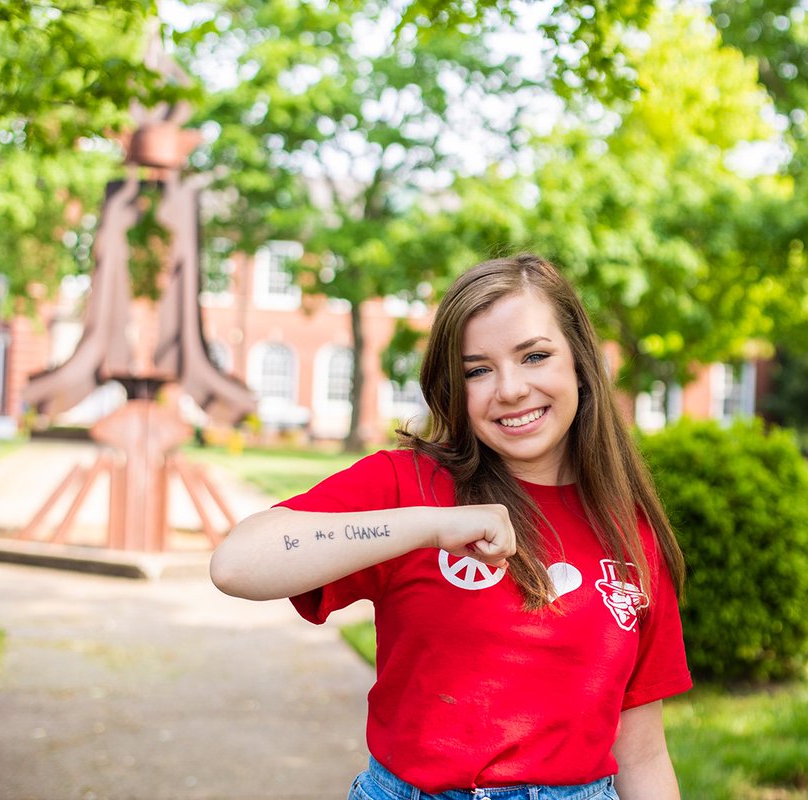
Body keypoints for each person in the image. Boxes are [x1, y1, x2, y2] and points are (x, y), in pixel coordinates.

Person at [211, 253, 691, 799]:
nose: (509, 389)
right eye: (477, 370)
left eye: (534, 356)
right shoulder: (405, 487)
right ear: (453, 387)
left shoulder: (629, 531)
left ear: (580, 363)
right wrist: (428, 526)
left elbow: (644, 754)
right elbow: (237, 564)